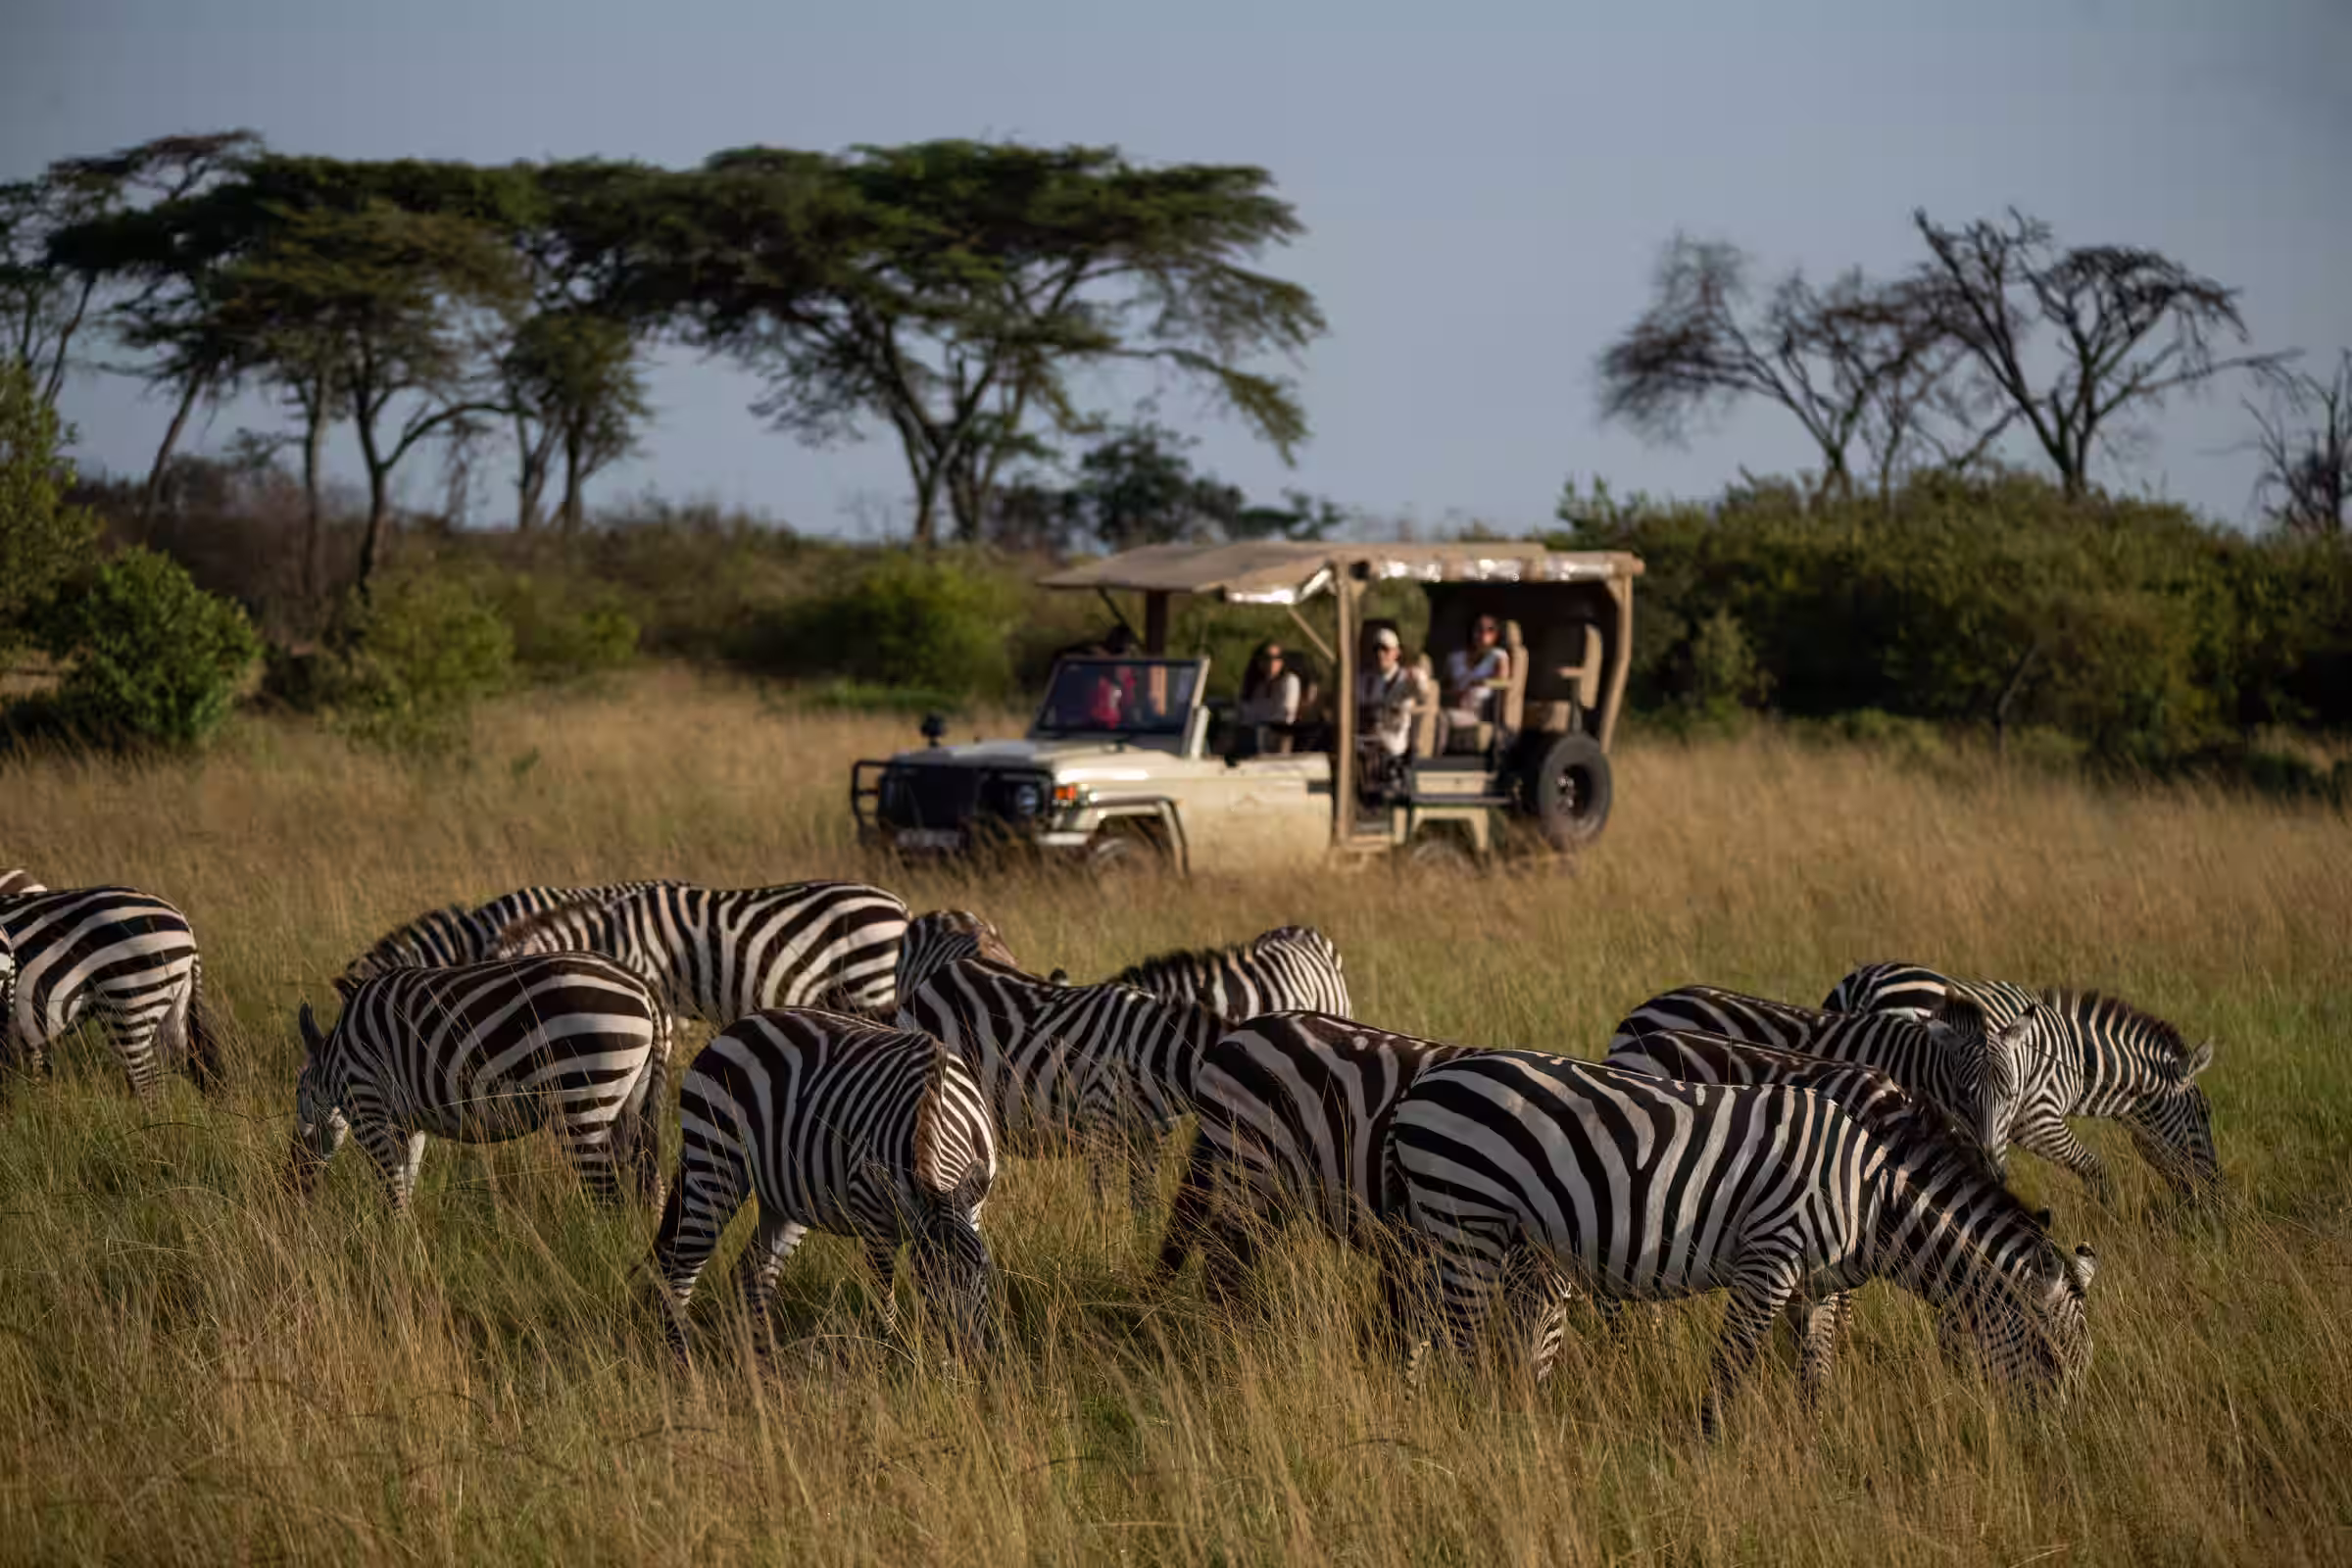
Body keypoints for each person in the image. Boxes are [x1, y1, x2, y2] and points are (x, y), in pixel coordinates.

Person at [1354, 626, 1417, 798]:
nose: (1380, 654)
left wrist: (1417, 680)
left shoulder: (1405, 679)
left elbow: (1421, 690)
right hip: (1363, 740)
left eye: (1385, 649)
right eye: (1376, 649)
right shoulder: (1363, 679)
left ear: (1396, 652)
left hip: (1390, 746)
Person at [1442, 613, 1511, 745]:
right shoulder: (1455, 658)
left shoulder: (1498, 656)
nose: (1484, 633)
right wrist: (1454, 695)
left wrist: (1479, 683)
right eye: (1479, 629)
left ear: (1496, 634)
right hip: (1455, 705)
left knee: (1441, 718)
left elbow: (1503, 682)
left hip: (1477, 711)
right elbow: (1444, 687)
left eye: (1490, 629)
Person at [1230, 640, 1302, 759]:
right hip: (1251, 733)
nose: (1272, 663)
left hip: (1276, 735)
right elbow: (1245, 714)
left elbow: (1285, 715)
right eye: (1267, 658)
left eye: (1277, 658)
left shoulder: (1289, 681)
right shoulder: (1255, 685)